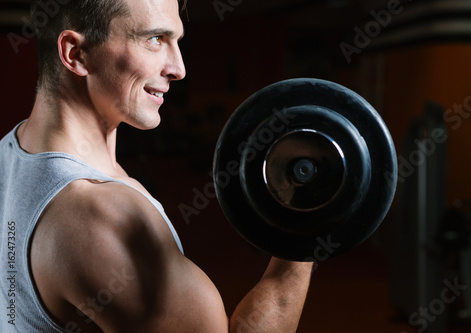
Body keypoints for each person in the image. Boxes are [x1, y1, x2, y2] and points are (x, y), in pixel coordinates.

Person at [0, 0, 313, 332]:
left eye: (176, 40)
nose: (178, 68)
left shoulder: (11, 151)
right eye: (154, 39)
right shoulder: (101, 222)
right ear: (75, 53)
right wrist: (303, 231)